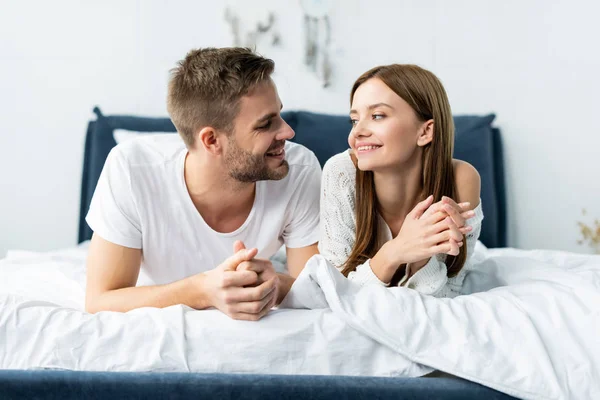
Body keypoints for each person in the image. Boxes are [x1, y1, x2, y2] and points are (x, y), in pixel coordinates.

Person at [85, 47, 321, 319]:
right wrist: (203, 289)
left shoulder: (299, 169)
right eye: (266, 124)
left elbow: (314, 288)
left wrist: (274, 283)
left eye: (279, 115)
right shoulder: (132, 169)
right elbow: (101, 299)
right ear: (211, 140)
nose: (288, 132)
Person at [319, 64, 483, 297]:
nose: (357, 132)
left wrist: (422, 258)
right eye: (354, 120)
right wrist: (395, 252)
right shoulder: (342, 172)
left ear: (425, 132)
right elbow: (334, 294)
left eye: (377, 116)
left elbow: (448, 293)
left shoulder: (461, 180)